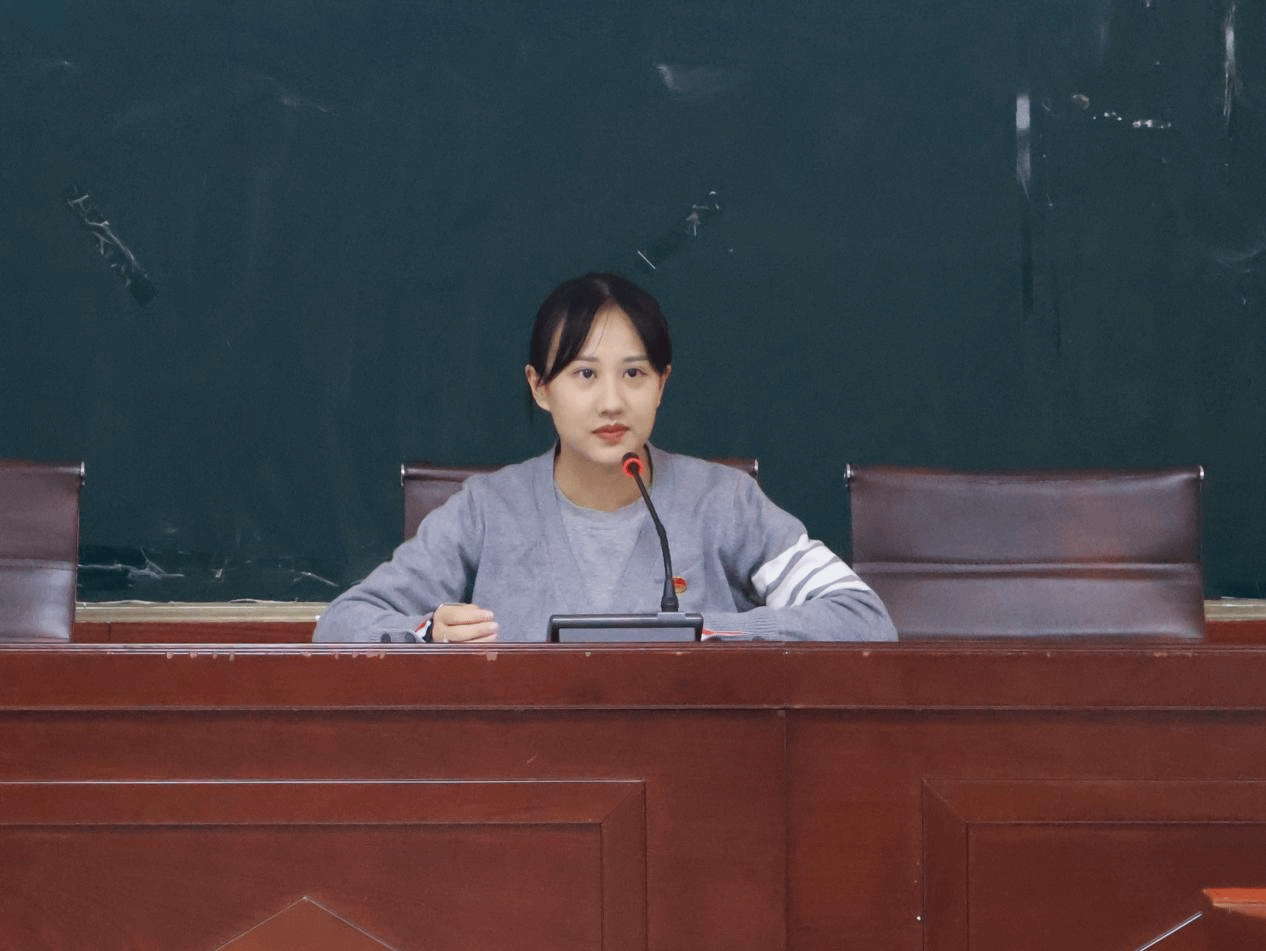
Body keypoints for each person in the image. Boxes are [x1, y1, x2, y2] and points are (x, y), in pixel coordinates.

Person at [313, 272, 896, 644]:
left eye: (634, 374)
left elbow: (862, 617)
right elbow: (342, 623)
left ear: (662, 384)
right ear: (540, 387)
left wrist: (712, 633)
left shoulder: (724, 502)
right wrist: (427, 633)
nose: (612, 402)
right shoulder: (486, 510)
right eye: (585, 374)